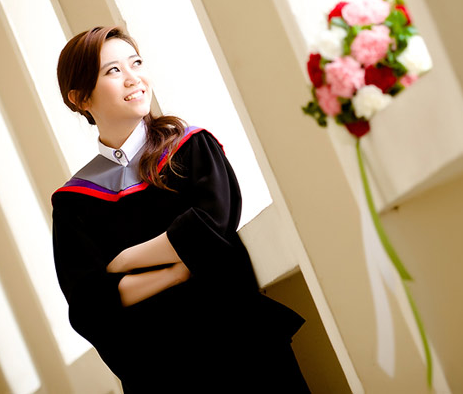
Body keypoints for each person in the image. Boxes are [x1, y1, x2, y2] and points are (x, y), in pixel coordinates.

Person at [52, 26, 310, 392]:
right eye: (113, 71)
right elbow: (88, 305)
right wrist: (177, 271)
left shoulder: (189, 148)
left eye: (136, 63)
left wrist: (122, 262)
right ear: (80, 98)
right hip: (162, 373)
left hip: (242, 350)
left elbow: (210, 225)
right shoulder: (74, 201)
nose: (133, 78)